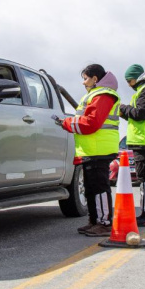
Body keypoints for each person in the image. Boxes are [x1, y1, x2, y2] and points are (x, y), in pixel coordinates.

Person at [59, 64, 120, 237]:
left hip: (99, 149)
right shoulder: (95, 94)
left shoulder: (103, 95)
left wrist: (67, 123)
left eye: (85, 78)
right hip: (91, 150)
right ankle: (95, 220)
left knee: (99, 188)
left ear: (95, 79)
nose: (83, 82)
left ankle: (104, 223)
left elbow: (91, 123)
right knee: (91, 187)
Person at [119, 64, 145, 227]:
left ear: (136, 78)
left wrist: (123, 107)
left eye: (129, 81)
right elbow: (136, 116)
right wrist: (126, 113)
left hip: (144, 140)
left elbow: (140, 114)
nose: (129, 85)